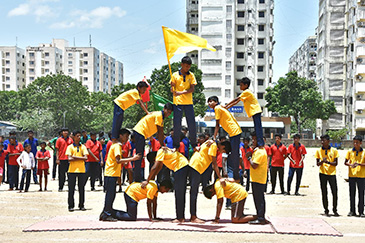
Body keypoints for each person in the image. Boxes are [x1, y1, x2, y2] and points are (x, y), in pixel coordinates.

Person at [100, 129, 141, 221]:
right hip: (111, 173)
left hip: (111, 173)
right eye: (126, 136)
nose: (127, 138)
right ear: (121, 136)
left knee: (111, 194)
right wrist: (132, 158)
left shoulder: (116, 145)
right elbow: (118, 160)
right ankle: (107, 213)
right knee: (110, 195)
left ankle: (105, 212)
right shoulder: (117, 146)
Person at [142, 147, 189, 223]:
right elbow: (159, 168)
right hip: (183, 165)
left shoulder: (160, 152)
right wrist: (152, 179)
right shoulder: (163, 154)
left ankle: (180, 218)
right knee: (179, 192)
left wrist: (147, 181)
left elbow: (154, 168)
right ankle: (180, 216)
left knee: (179, 193)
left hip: (180, 167)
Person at [132, 103, 173, 182]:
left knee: (139, 156)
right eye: (168, 111)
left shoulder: (159, 116)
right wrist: (162, 145)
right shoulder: (159, 115)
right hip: (140, 132)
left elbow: (160, 133)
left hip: (141, 133)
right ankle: (137, 179)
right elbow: (160, 132)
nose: (168, 114)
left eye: (170, 112)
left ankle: (138, 178)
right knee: (139, 156)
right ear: (164, 109)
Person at [102, 180, 173, 221]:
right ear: (163, 187)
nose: (165, 192)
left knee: (131, 215)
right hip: (131, 194)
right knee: (131, 217)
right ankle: (109, 212)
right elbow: (148, 203)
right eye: (166, 190)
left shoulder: (156, 188)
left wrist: (155, 217)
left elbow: (154, 203)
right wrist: (151, 218)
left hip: (132, 194)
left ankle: (108, 211)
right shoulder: (153, 188)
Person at [208, 96, 242, 181]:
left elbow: (217, 125)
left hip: (234, 132)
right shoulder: (219, 108)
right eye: (208, 102)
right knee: (232, 154)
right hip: (233, 132)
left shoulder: (217, 108)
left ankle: (236, 176)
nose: (209, 103)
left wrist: (214, 137)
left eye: (211, 101)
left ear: (216, 102)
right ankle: (234, 175)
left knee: (235, 154)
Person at [188, 133, 220, 223]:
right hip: (197, 166)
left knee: (193, 191)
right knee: (194, 191)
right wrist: (220, 177)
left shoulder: (209, 143)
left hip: (195, 165)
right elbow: (214, 163)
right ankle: (193, 217)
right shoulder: (213, 145)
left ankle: (193, 215)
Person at [223, 77, 264, 147]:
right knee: (257, 128)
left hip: (256, 111)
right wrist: (226, 107)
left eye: (241, 85)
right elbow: (236, 102)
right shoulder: (245, 93)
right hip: (254, 112)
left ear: (246, 85)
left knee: (258, 128)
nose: (240, 87)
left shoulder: (247, 92)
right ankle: (259, 143)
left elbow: (236, 99)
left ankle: (260, 143)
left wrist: (226, 106)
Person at [170, 56, 197, 151]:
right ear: (181, 65)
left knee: (192, 124)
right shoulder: (174, 75)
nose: (187, 68)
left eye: (188, 67)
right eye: (185, 66)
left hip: (188, 103)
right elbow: (172, 89)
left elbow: (192, 89)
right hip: (177, 103)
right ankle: (176, 145)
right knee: (177, 124)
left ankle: (194, 144)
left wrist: (181, 92)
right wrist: (172, 88)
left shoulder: (191, 75)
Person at [245, 132, 269, 224]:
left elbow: (254, 165)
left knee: (259, 199)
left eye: (255, 139)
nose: (253, 141)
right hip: (257, 178)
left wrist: (249, 158)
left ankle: (260, 217)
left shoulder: (260, 152)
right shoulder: (258, 150)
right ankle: (260, 216)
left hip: (258, 179)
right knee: (259, 198)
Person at [315, 134, 339, 217]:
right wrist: (322, 161)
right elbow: (317, 164)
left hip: (332, 173)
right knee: (324, 192)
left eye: (324, 140)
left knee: (334, 192)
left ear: (328, 141)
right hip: (322, 173)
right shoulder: (318, 151)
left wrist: (328, 162)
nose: (322, 142)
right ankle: (326, 209)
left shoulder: (334, 150)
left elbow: (336, 163)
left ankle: (335, 209)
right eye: (321, 140)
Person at [65, 131, 89, 212]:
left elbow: (86, 158)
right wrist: (80, 158)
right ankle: (71, 205)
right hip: (72, 170)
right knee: (71, 189)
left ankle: (81, 205)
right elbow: (69, 158)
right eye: (77, 136)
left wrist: (74, 157)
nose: (79, 137)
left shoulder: (83, 147)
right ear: (74, 137)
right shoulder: (70, 147)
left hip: (81, 170)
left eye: (79, 136)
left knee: (81, 189)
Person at [344, 135, 365, 217]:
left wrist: (359, 164)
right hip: (352, 175)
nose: (355, 144)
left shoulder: (364, 152)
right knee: (352, 193)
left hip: (362, 175)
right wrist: (350, 164)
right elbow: (345, 162)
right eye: (354, 142)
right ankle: (352, 211)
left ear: (360, 143)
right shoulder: (350, 152)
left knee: (361, 194)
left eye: (357, 142)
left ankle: (361, 211)